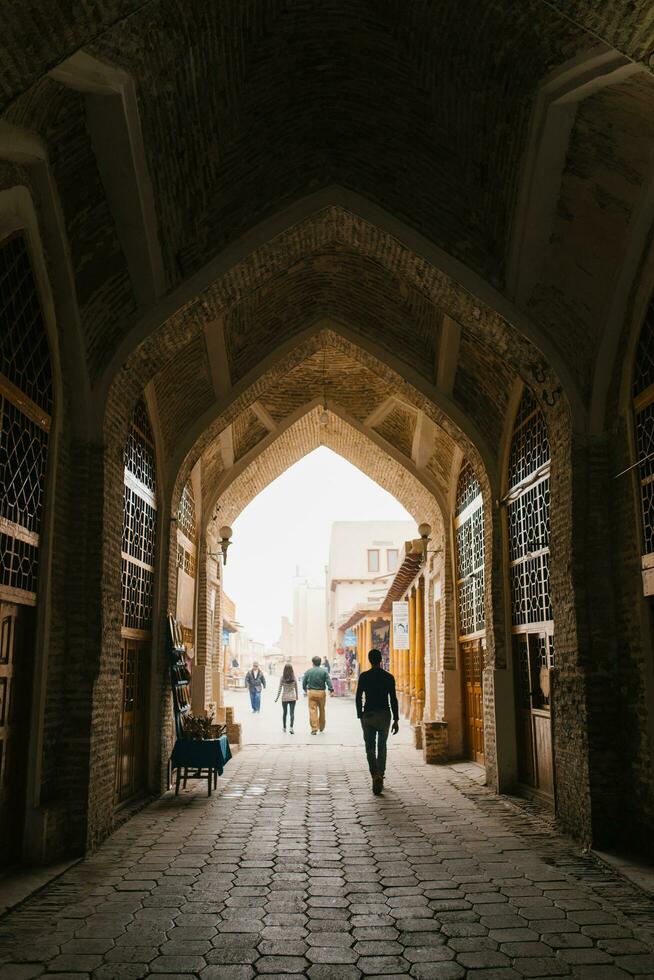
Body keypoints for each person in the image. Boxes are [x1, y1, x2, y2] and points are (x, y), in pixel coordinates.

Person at [356, 648, 399, 795]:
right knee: (382, 746)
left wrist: (360, 715)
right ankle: (381, 774)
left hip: (368, 714)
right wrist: (396, 719)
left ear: (369, 660)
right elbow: (393, 699)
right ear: (381, 660)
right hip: (384, 715)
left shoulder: (364, 676)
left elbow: (358, 697)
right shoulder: (388, 677)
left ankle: (374, 774)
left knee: (369, 747)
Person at [302, 655, 334, 734]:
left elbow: (304, 682)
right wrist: (331, 688)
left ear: (313, 663)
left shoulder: (309, 671)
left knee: (312, 710)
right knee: (322, 710)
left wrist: (305, 689)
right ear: (320, 663)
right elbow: (328, 681)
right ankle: (321, 727)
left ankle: (314, 728)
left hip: (312, 693)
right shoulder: (324, 671)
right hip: (321, 693)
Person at [275, 662, 299, 734]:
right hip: (292, 698)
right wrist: (297, 696)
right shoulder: (294, 678)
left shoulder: (282, 678)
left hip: (284, 698)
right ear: (292, 670)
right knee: (292, 713)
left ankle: (284, 728)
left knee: (284, 713)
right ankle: (291, 728)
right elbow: (296, 688)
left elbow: (280, 689)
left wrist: (277, 698)